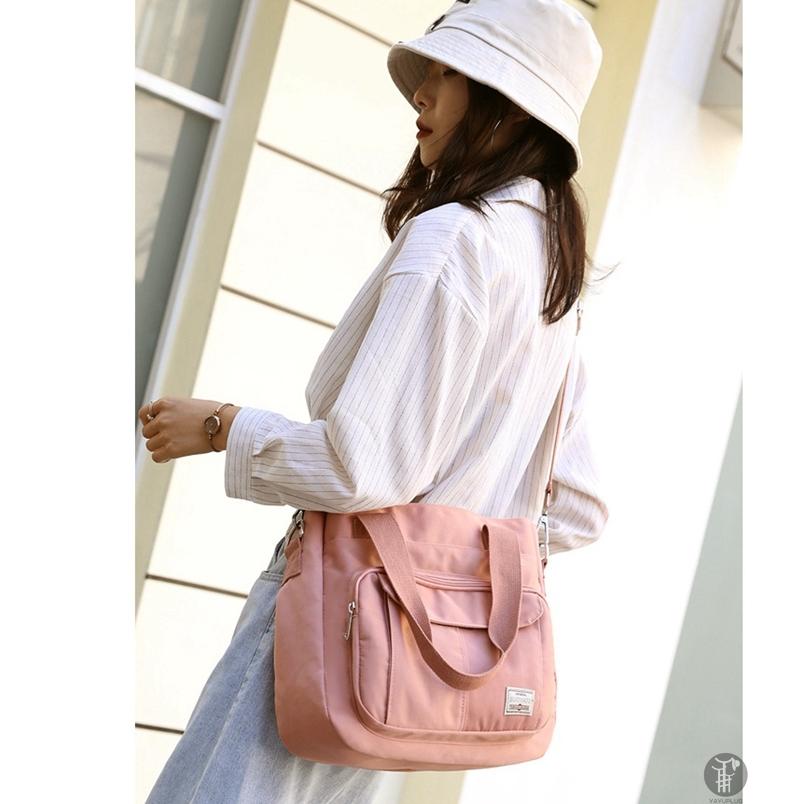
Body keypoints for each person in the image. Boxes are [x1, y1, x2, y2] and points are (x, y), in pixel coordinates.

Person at [139, 1, 609, 801]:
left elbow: (362, 467)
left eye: (449, 73)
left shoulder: (456, 237)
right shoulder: (551, 274)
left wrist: (222, 427)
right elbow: (576, 506)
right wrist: (451, 572)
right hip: (410, 670)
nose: (421, 92)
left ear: (505, 101)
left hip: (337, 619)